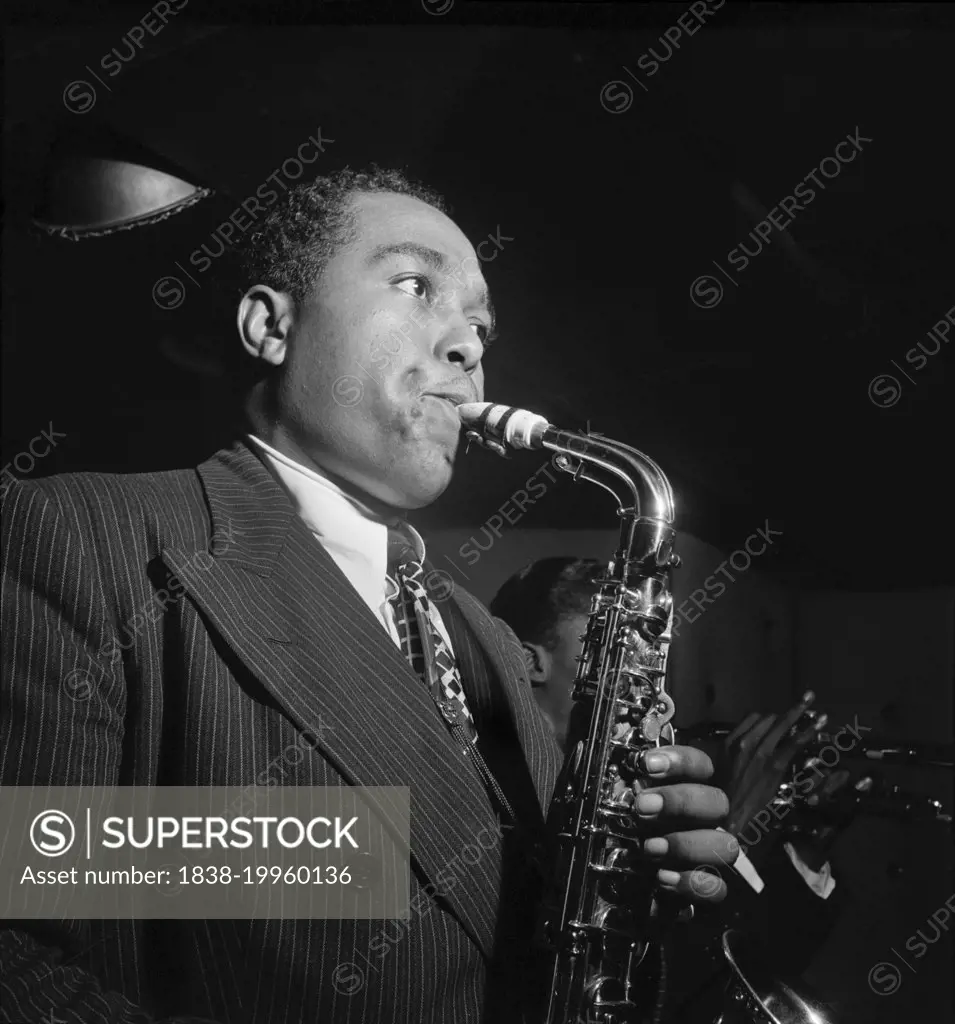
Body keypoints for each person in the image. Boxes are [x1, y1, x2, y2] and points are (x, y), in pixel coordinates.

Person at [0, 168, 738, 1024]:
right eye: (414, 285)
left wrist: (634, 888)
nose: (468, 346)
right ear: (270, 325)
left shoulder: (484, 638)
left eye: (479, 323)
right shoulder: (79, 534)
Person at [490, 556, 854, 1019]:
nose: (645, 698)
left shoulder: (633, 800)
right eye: (618, 664)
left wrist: (804, 847)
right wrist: (739, 829)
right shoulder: (484, 788)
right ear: (529, 662)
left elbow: (750, 973)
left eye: (646, 674)